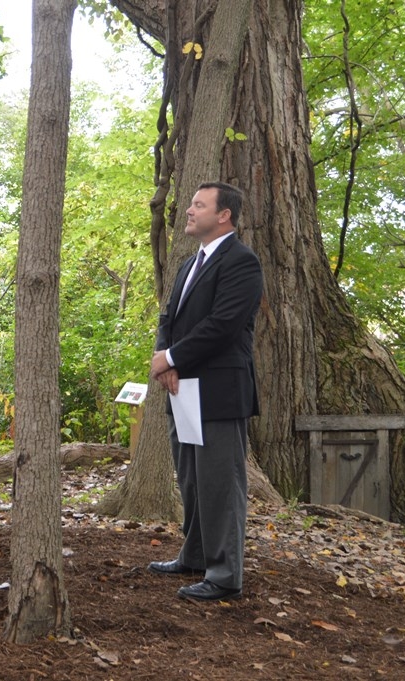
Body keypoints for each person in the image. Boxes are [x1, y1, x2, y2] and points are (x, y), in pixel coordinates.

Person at [147, 181, 264, 602]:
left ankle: (225, 574)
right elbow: (170, 316)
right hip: (182, 387)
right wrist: (166, 358)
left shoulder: (241, 262)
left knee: (220, 482)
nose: (190, 211)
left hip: (218, 388)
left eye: (199, 205)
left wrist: (173, 357)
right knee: (192, 480)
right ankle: (195, 555)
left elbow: (223, 325)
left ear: (224, 215)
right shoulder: (188, 263)